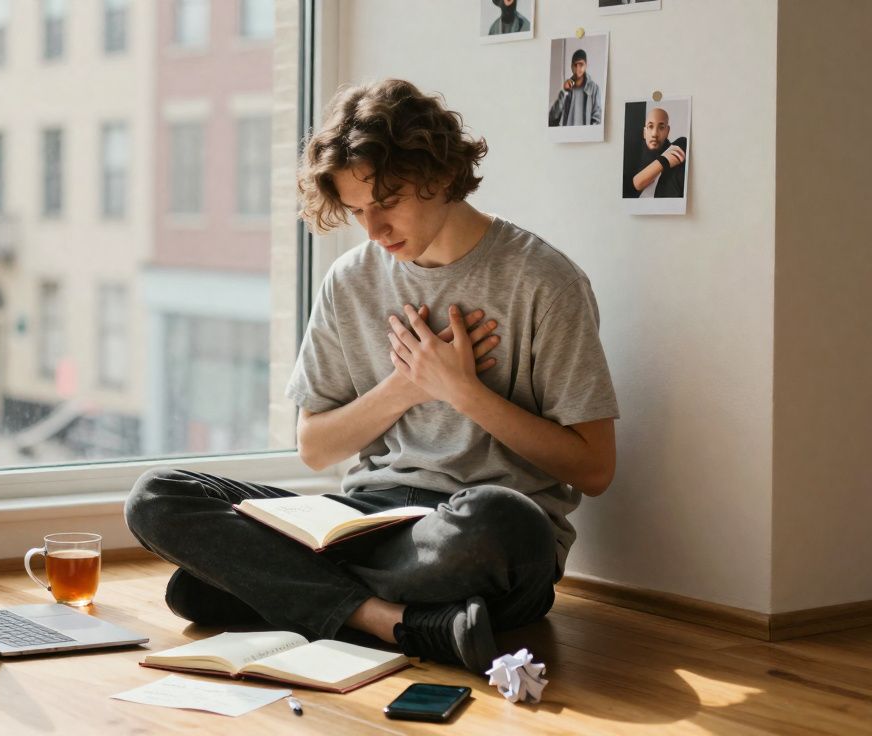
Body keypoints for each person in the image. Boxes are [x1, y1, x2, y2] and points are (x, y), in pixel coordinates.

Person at [125, 79, 619, 674]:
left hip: (475, 540)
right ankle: (394, 622)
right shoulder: (351, 281)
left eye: (386, 201)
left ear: (438, 173)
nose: (374, 230)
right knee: (157, 496)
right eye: (357, 212)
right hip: (367, 523)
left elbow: (594, 469)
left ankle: (289, 590)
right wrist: (405, 386)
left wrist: (462, 391)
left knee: (504, 519)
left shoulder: (544, 281)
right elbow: (315, 447)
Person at [628, 107, 687, 198]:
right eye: (650, 126)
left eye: (661, 127)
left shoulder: (680, 145)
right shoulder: (632, 157)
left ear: (667, 131)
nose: (654, 134)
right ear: (644, 132)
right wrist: (665, 160)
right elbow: (637, 183)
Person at [548, 48, 602, 127]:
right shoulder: (566, 88)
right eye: (575, 65)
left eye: (581, 64)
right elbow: (553, 116)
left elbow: (597, 119)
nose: (577, 69)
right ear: (571, 66)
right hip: (566, 136)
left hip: (585, 137)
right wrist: (564, 91)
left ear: (586, 65)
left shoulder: (594, 88)